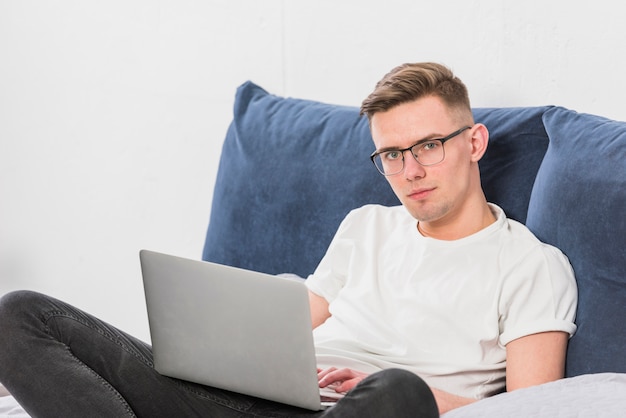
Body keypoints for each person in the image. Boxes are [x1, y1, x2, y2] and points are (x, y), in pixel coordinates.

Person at [0, 62, 577, 417]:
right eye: (392, 155)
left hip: (370, 411)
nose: (411, 171)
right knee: (19, 314)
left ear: (473, 143)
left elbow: (531, 411)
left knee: (397, 392)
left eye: (427, 146)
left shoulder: (530, 265)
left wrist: (402, 390)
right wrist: (209, 347)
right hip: (255, 401)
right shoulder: (366, 226)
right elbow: (288, 325)